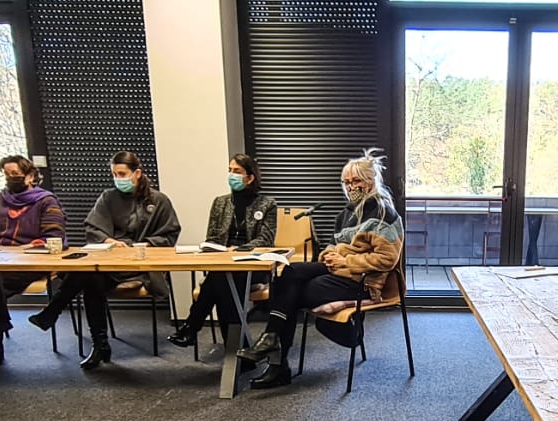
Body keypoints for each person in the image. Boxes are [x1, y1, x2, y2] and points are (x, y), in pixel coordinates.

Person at [235, 148, 401, 389]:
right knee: (288, 273)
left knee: (290, 293)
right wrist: (329, 255)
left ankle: (277, 362)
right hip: (337, 272)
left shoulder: (385, 213)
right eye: (346, 182)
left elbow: (387, 259)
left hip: (363, 281)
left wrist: (346, 261)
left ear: (370, 181)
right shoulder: (346, 213)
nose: (351, 187)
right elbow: (332, 245)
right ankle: (272, 344)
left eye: (356, 181)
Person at [27, 151, 181, 369]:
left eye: (122, 174)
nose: (118, 178)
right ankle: (99, 344)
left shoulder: (159, 200)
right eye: (114, 174)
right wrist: (109, 241)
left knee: (88, 278)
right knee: (91, 280)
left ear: (137, 173)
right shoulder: (108, 197)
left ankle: (55, 314)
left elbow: (169, 234)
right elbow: (93, 227)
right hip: (110, 262)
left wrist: (144, 244)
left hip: (140, 265)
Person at [0, 155, 67, 369]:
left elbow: (54, 235)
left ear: (30, 176)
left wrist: (35, 245)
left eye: (15, 174)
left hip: (29, 261)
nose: (10, 178)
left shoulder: (46, 201)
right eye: (6, 174)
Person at [167, 153, 277, 348]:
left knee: (219, 281)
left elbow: (266, 239)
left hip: (251, 264)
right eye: (230, 170)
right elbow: (212, 238)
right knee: (223, 281)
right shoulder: (220, 202)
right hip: (223, 264)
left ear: (250, 177)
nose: (231, 175)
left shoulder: (267, 204)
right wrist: (216, 250)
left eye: (237, 171)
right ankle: (238, 349)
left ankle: (191, 327)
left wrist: (237, 250)